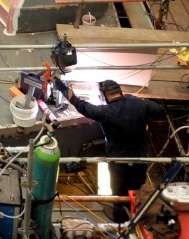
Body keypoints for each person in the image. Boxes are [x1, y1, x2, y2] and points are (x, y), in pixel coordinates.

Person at [55, 77, 162, 220]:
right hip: (139, 159)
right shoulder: (138, 104)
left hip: (118, 161)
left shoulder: (105, 112)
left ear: (106, 95)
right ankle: (138, 215)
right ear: (121, 92)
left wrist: (61, 87)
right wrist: (134, 100)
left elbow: (81, 105)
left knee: (118, 190)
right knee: (137, 189)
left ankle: (119, 217)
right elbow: (158, 110)